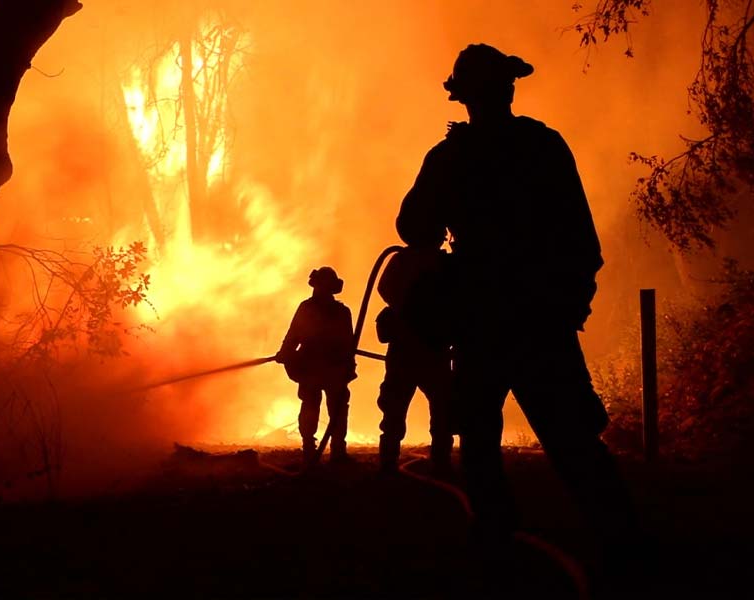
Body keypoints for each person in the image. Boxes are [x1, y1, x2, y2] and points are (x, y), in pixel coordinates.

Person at [396, 43, 641, 578]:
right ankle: (618, 542)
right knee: (570, 436)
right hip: (538, 319)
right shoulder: (542, 146)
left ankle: (494, 536)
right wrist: (571, 302)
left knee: (480, 435)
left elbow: (414, 230)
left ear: (462, 97)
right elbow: (582, 239)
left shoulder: (452, 157)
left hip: (484, 319)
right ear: (507, 89)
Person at [374, 235, 455, 476]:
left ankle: (431, 461)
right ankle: (434, 462)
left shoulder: (407, 261)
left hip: (421, 348)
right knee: (405, 406)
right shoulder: (435, 263)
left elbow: (384, 288)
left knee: (435, 407)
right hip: (423, 348)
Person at [275, 266, 357, 466]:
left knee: (335, 409)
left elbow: (348, 343)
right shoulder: (310, 309)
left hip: (330, 367)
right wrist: (285, 353)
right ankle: (311, 449)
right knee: (313, 406)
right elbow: (293, 335)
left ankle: (335, 450)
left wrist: (347, 365)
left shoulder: (339, 312)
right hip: (314, 367)